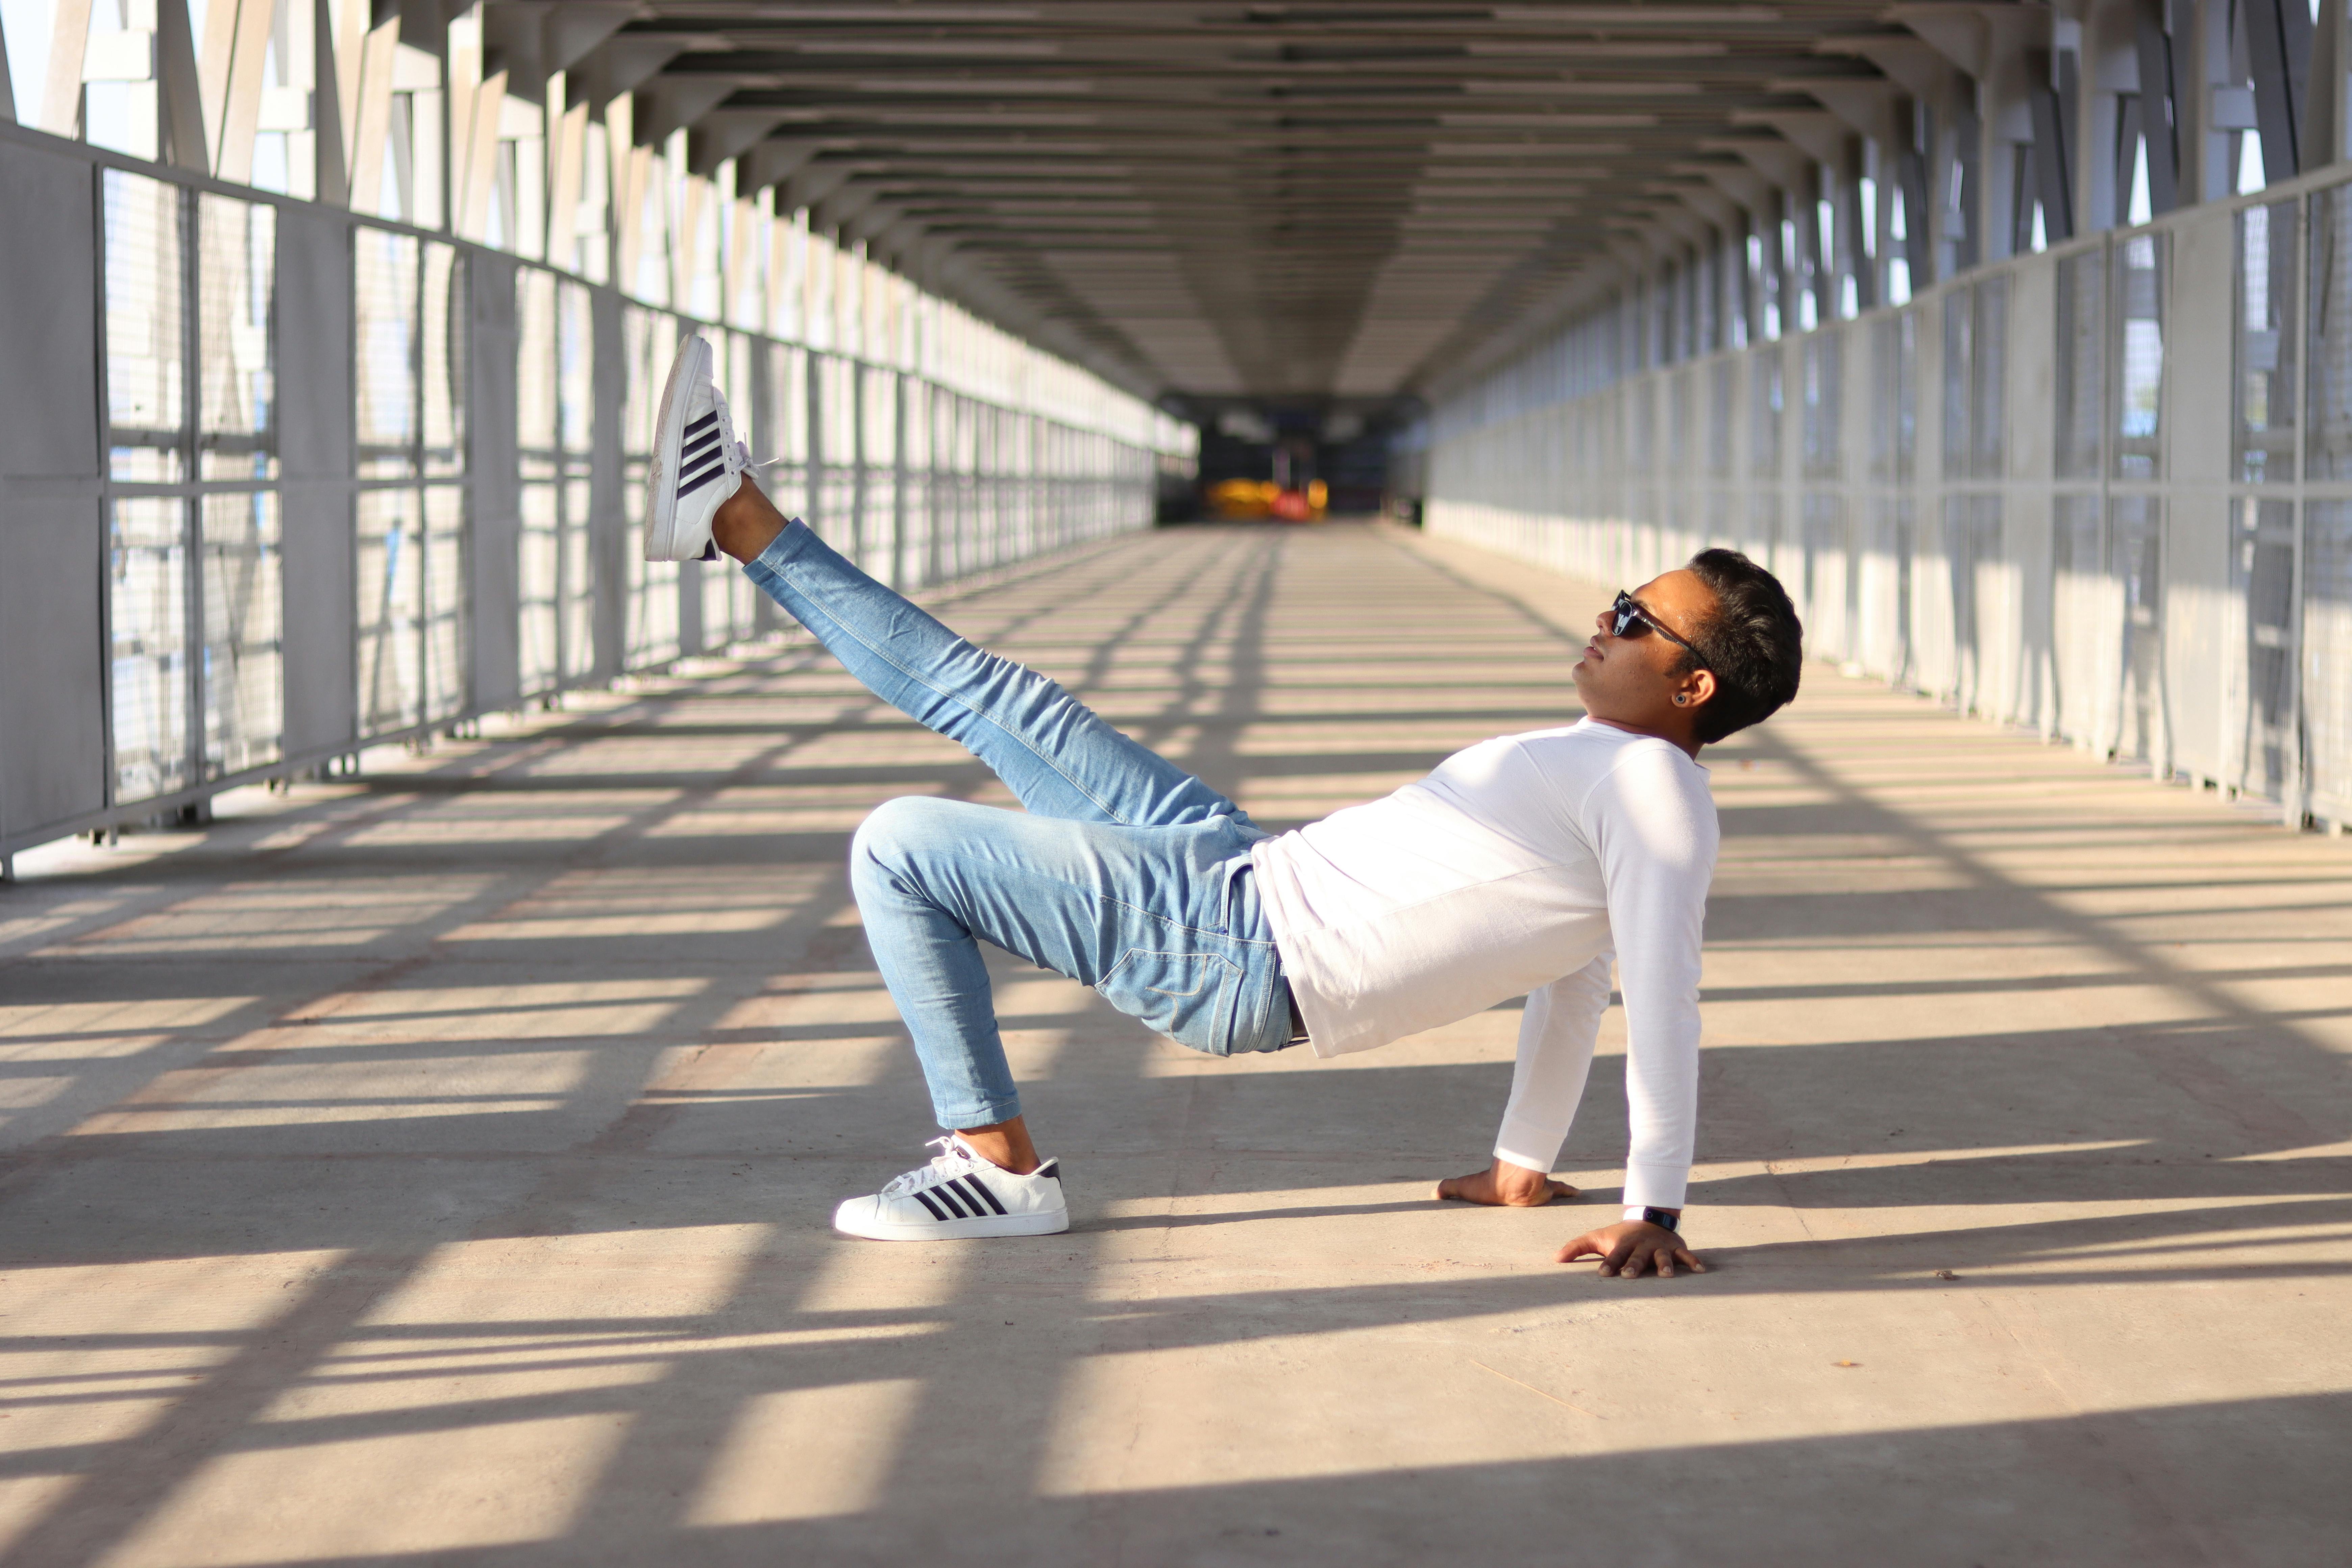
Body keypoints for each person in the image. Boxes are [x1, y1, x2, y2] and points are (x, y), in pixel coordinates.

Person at [641, 335, 1804, 1278]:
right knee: (1001, 698)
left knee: (901, 845)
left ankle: (996, 1168)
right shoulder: (1605, 761)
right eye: (1616, 601)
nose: (1605, 621)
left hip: (1237, 950)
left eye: (1635, 621)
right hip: (1240, 864)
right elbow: (1574, 982)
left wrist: (1657, 1205)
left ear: (1693, 685)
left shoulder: (1660, 796)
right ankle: (734, 515)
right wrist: (1519, 1161)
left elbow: (1657, 1005)